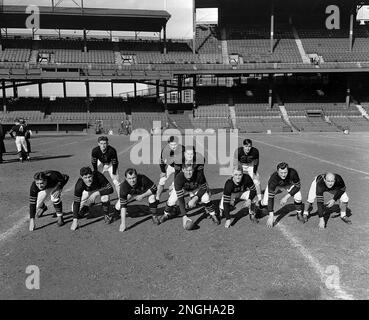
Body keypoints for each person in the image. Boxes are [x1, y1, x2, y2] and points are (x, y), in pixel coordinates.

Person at [159, 164, 220, 229]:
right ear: (182, 170)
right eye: (186, 170)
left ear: (193, 170)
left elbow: (203, 187)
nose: (189, 172)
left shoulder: (199, 174)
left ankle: (213, 214)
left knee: (206, 198)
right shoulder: (179, 178)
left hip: (195, 188)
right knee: (172, 200)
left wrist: (194, 199)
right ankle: (166, 214)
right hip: (183, 188)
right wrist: (184, 216)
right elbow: (181, 199)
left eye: (190, 170)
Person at [261, 162, 303, 228]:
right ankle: (259, 204)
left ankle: (299, 213)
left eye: (285, 172)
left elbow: (297, 186)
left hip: (288, 185)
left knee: (298, 197)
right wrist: (271, 216)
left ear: (288, 170)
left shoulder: (293, 173)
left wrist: (286, 197)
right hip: (277, 185)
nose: (283, 175)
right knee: (265, 202)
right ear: (277, 171)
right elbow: (271, 198)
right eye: (281, 173)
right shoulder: (273, 179)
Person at [71, 166, 114, 231]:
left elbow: (110, 189)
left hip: (99, 189)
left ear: (92, 175)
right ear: (82, 178)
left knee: (105, 197)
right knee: (73, 209)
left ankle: (106, 215)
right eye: (85, 178)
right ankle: (86, 207)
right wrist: (75, 221)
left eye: (89, 177)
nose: (88, 180)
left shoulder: (98, 175)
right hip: (87, 191)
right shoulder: (79, 185)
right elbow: (76, 202)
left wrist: (96, 193)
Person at [156, 136, 185, 201]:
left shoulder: (182, 149)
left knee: (178, 183)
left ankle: (173, 195)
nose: (173, 146)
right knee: (162, 180)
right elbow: (161, 161)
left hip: (180, 167)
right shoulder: (165, 150)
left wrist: (184, 168)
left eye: (175, 144)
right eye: (171, 145)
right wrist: (163, 171)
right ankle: (157, 197)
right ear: (168, 144)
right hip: (171, 166)